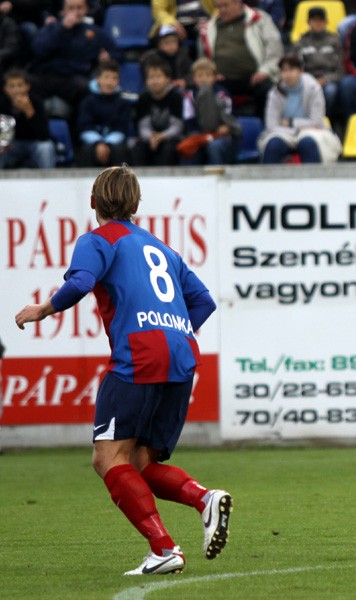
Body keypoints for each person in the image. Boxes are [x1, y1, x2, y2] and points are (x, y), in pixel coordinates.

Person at [14, 165, 232, 575]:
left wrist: (43, 309)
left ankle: (164, 549)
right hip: (182, 353)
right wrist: (170, 329)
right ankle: (204, 499)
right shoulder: (161, 248)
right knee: (141, 463)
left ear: (93, 201)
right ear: (136, 205)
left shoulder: (97, 240)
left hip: (139, 355)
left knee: (108, 458)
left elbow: (81, 283)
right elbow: (203, 302)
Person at [26, 0, 118, 117]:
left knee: (87, 88)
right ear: (63, 11)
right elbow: (39, 51)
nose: (75, 12)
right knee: (24, 84)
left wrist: (107, 57)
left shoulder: (94, 32)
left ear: (86, 10)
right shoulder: (51, 28)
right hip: (45, 75)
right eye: (71, 8)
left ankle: (78, 127)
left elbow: (116, 52)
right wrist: (62, 28)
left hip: (73, 78)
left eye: (79, 8)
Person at [198, 0, 282, 118]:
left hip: (256, 77)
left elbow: (275, 51)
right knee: (205, 90)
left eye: (225, 5)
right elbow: (203, 61)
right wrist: (212, 73)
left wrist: (265, 71)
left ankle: (266, 125)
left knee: (269, 89)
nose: (222, 10)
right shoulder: (209, 28)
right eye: (218, 6)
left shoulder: (260, 19)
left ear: (238, 3)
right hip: (223, 79)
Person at [258, 52, 341, 164]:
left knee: (307, 143)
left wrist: (291, 123)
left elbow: (316, 121)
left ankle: (315, 176)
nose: (287, 74)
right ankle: (268, 176)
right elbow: (271, 125)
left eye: (291, 69)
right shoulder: (275, 92)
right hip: (282, 132)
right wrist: (294, 129)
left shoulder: (313, 88)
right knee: (273, 145)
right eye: (284, 70)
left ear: (301, 70)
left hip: (311, 132)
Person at [179, 57, 241, 165]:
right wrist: (201, 135)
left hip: (221, 136)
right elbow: (189, 120)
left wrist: (226, 127)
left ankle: (217, 173)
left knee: (214, 146)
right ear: (193, 78)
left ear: (215, 77)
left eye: (208, 75)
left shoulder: (222, 94)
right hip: (200, 135)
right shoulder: (189, 96)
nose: (203, 79)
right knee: (188, 148)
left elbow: (229, 116)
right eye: (199, 76)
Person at [75, 59, 132, 167]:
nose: (109, 82)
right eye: (106, 77)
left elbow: (121, 128)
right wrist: (98, 143)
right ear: (98, 79)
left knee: (119, 150)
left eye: (114, 78)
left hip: (114, 142)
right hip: (92, 143)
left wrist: (107, 144)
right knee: (86, 150)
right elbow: (84, 127)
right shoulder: (87, 102)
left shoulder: (123, 103)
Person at [292, 6, 343, 126]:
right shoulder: (301, 43)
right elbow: (295, 68)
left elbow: (341, 69)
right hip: (308, 79)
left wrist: (325, 79)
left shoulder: (335, 41)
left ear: (326, 22)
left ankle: (327, 120)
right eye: (314, 20)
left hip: (329, 79)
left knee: (330, 91)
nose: (318, 23)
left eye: (321, 20)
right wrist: (310, 80)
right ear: (308, 22)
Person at [131, 56, 184, 166]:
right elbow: (143, 126)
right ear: (146, 81)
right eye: (151, 77)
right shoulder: (143, 98)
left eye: (159, 76)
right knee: (138, 148)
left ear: (168, 79)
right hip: (149, 138)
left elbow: (177, 126)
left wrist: (161, 136)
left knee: (169, 149)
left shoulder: (175, 97)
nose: (155, 81)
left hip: (170, 137)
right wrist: (151, 137)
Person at [0, 67, 56, 169]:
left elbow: (44, 136)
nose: (16, 90)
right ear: (5, 89)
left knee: (46, 147)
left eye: (19, 85)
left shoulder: (36, 102)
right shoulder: (2, 104)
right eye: (12, 86)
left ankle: (48, 177)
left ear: (27, 87)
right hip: (11, 145)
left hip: (34, 144)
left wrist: (28, 110)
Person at [140, 24, 194, 90]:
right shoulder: (152, 59)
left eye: (174, 42)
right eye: (166, 43)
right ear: (159, 45)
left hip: (179, 89)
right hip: (158, 88)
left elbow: (191, 73)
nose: (171, 46)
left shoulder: (183, 56)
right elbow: (149, 77)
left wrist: (185, 81)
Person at [151, 0, 215, 46]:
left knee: (206, 33)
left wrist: (212, 21)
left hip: (205, 22)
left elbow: (219, 7)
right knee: (167, 37)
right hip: (177, 23)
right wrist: (172, 22)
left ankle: (204, 61)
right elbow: (159, 10)